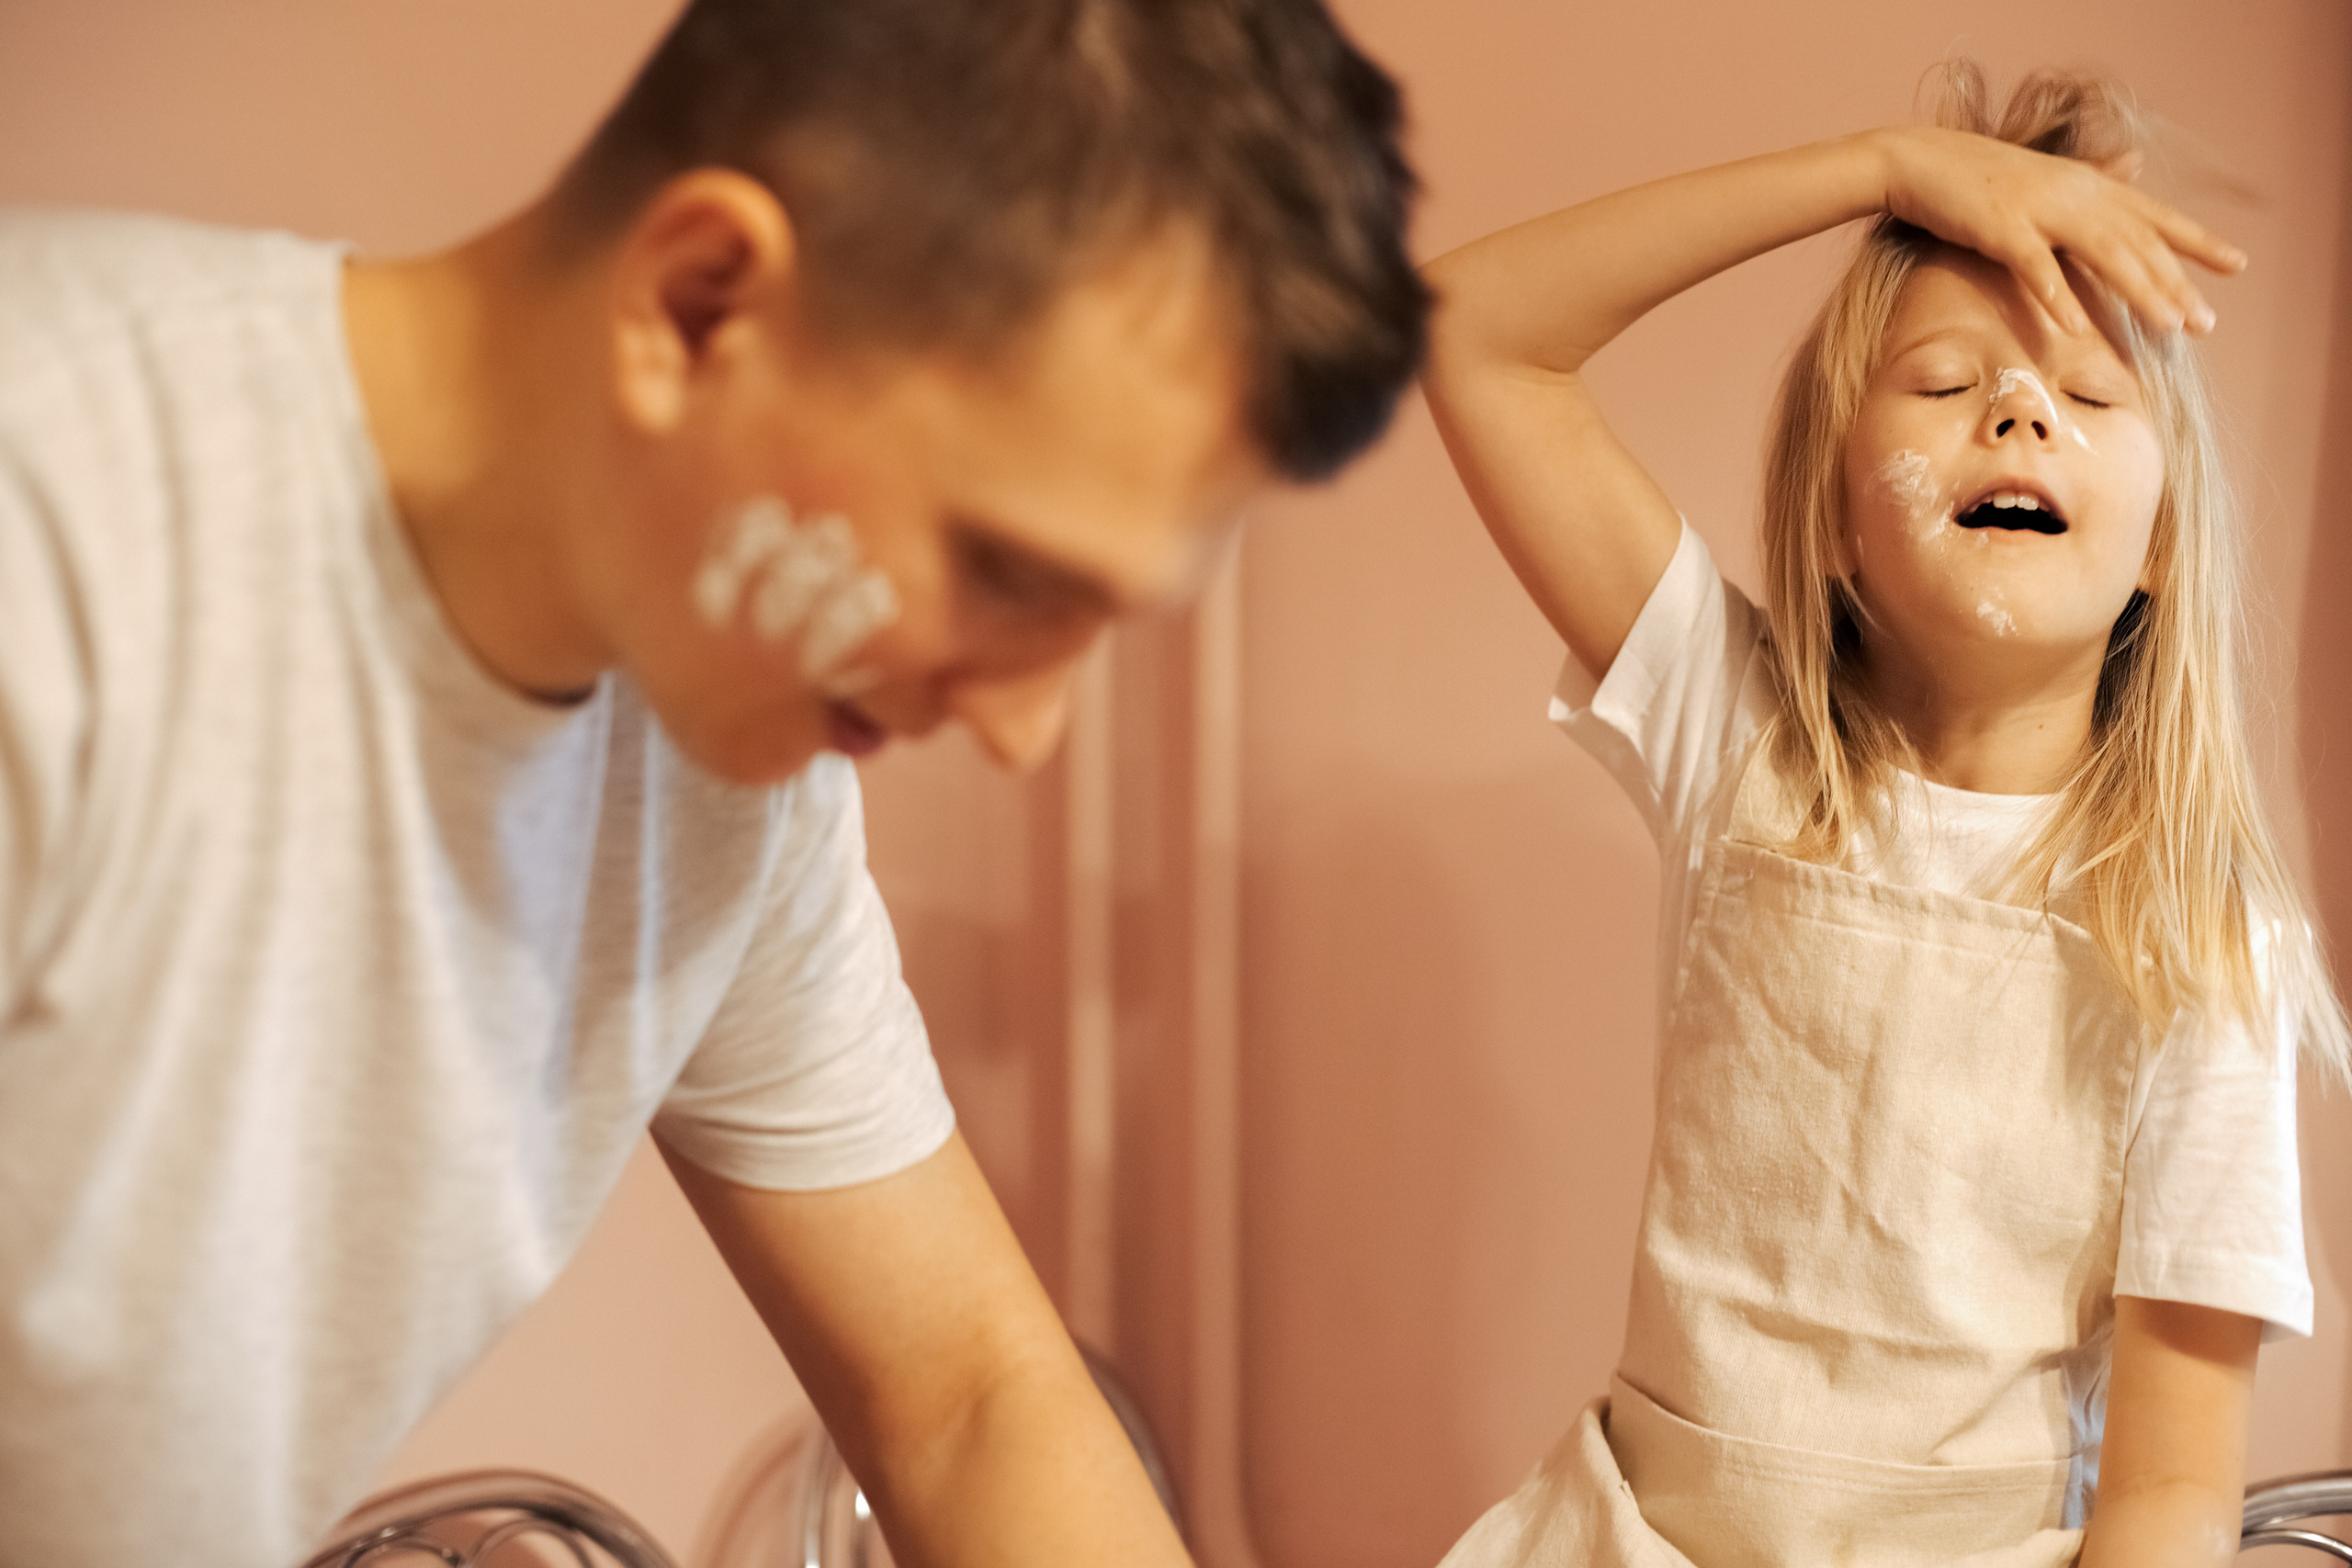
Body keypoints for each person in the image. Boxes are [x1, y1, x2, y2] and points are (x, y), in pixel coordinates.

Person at [0, 2, 1426, 1562]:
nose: (1027, 731)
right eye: (1004, 569)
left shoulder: (724, 763)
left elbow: (966, 1397)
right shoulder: (55, 521)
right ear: (695, 303)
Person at [1419, 64, 2344, 1568]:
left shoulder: (2204, 939)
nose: (2022, 408)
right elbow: (1476, 334)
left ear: (2162, 548)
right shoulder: (1736, 736)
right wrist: (1881, 170)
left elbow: (2174, 1489)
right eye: (1944, 383)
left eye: (2089, 395)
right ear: (1841, 514)